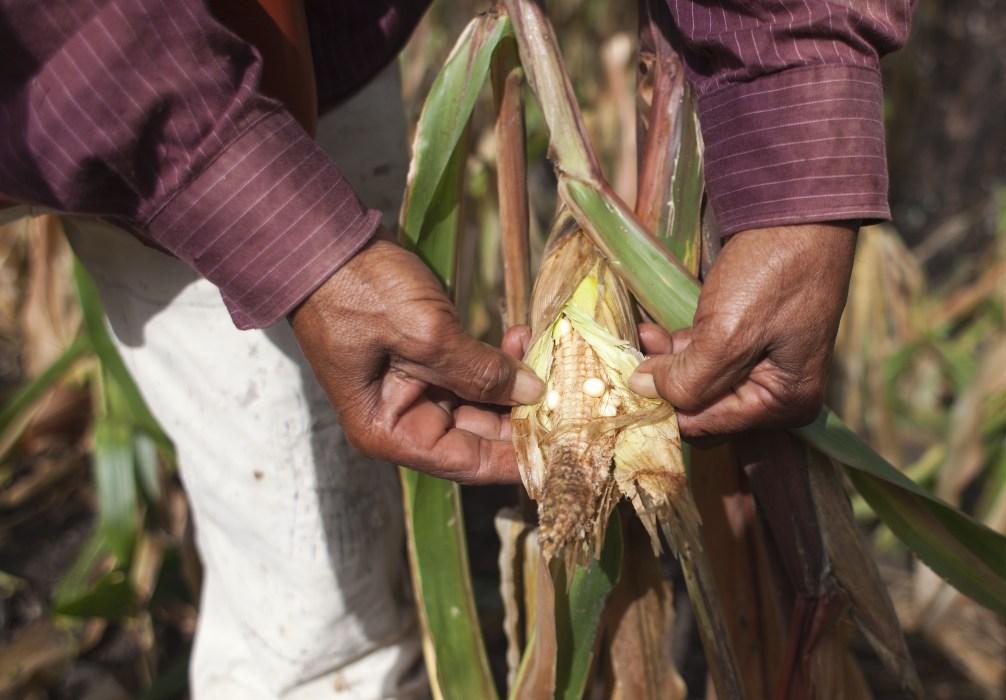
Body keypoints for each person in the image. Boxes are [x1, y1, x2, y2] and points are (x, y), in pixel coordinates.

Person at [0, 1, 913, 697]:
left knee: (326, 607)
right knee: (312, 623)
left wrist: (802, 107)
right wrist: (273, 225)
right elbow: (83, 40)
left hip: (297, 44)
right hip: (107, 71)